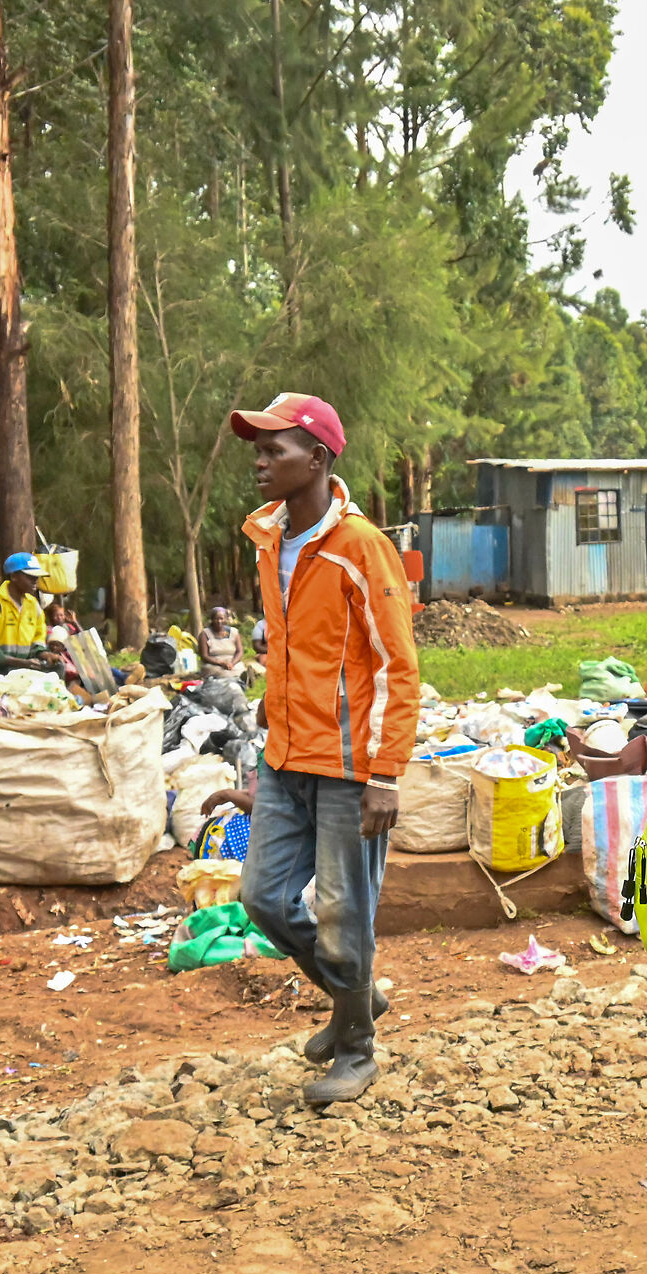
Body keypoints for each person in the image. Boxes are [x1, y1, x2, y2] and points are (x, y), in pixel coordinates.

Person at [230, 393, 419, 1106]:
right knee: (264, 899)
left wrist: (386, 773)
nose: (260, 460)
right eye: (259, 447)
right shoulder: (269, 539)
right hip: (283, 757)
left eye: (273, 449)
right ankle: (355, 1002)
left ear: (316, 458)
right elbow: (293, 647)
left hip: (348, 765)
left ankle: (357, 1047)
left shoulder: (360, 548)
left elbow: (398, 663)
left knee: (344, 913)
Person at [0, 553, 64, 681]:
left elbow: (37, 643)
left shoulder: (33, 605)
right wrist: (24, 663)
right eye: (30, 577)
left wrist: (45, 654)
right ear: (14, 576)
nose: (35, 580)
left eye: (36, 577)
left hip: (18, 676)